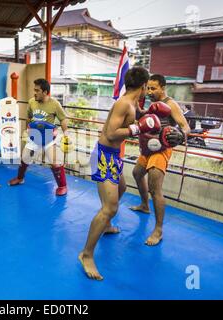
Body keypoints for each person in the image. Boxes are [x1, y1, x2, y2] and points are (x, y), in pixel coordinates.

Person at [79, 66, 152, 280]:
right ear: (143, 86)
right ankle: (86, 255)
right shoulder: (123, 103)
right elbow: (111, 133)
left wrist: (153, 116)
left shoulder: (132, 103)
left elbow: (140, 116)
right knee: (109, 207)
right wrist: (137, 128)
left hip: (112, 156)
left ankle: (107, 225)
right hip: (104, 155)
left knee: (122, 187)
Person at [130, 74, 191, 246]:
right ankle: (144, 205)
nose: (149, 91)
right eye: (148, 88)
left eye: (153, 88)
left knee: (154, 188)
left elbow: (186, 126)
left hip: (161, 150)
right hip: (148, 147)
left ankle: (158, 230)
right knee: (136, 173)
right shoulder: (151, 104)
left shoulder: (171, 104)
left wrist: (180, 134)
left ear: (162, 88)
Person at [8, 78, 70, 196]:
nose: (34, 93)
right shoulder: (32, 102)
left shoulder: (54, 104)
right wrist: (27, 130)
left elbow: (63, 119)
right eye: (34, 90)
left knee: (54, 162)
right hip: (35, 135)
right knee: (24, 157)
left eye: (37, 90)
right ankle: (20, 178)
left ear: (45, 92)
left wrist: (66, 133)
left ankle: (62, 186)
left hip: (48, 136)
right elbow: (29, 117)